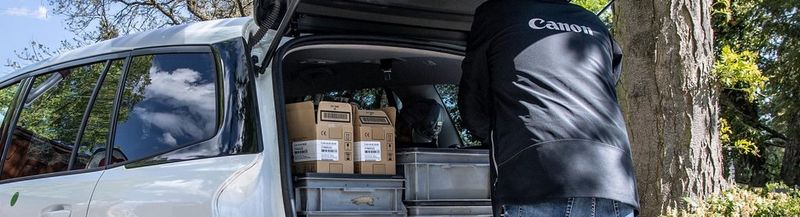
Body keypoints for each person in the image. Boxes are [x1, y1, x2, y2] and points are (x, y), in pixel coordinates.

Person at [458, 0, 639, 216]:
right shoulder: (592, 21)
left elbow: (473, 102)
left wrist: (501, 136)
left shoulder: (496, 12)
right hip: (615, 181)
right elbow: (609, 82)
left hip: (537, 177)